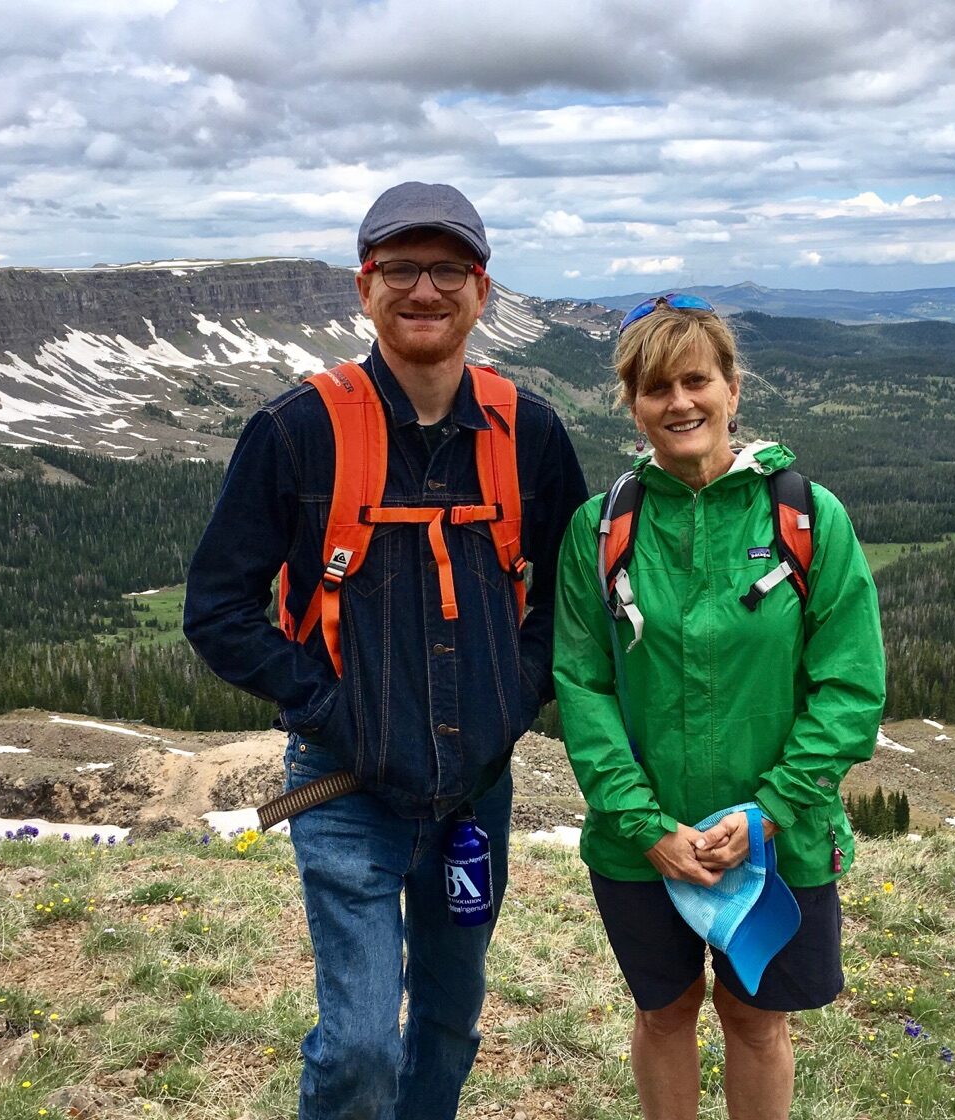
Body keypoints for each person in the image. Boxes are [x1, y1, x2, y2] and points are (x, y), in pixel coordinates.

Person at [184, 182, 587, 1120]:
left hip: (475, 798)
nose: (425, 290)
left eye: (448, 269)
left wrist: (513, 699)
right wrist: (332, 712)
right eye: (400, 268)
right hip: (346, 791)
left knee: (449, 1026)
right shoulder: (296, 432)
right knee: (362, 1042)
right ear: (365, 289)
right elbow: (218, 610)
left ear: (481, 291)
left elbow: (570, 600)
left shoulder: (530, 432)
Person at [552, 294, 884, 1120]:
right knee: (663, 1014)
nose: (680, 403)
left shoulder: (808, 515)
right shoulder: (599, 531)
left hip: (781, 837)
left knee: (755, 1018)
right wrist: (646, 825)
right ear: (632, 405)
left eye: (696, 380)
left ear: (733, 388)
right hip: (641, 842)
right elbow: (582, 687)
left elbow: (850, 688)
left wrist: (770, 812)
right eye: (656, 388)